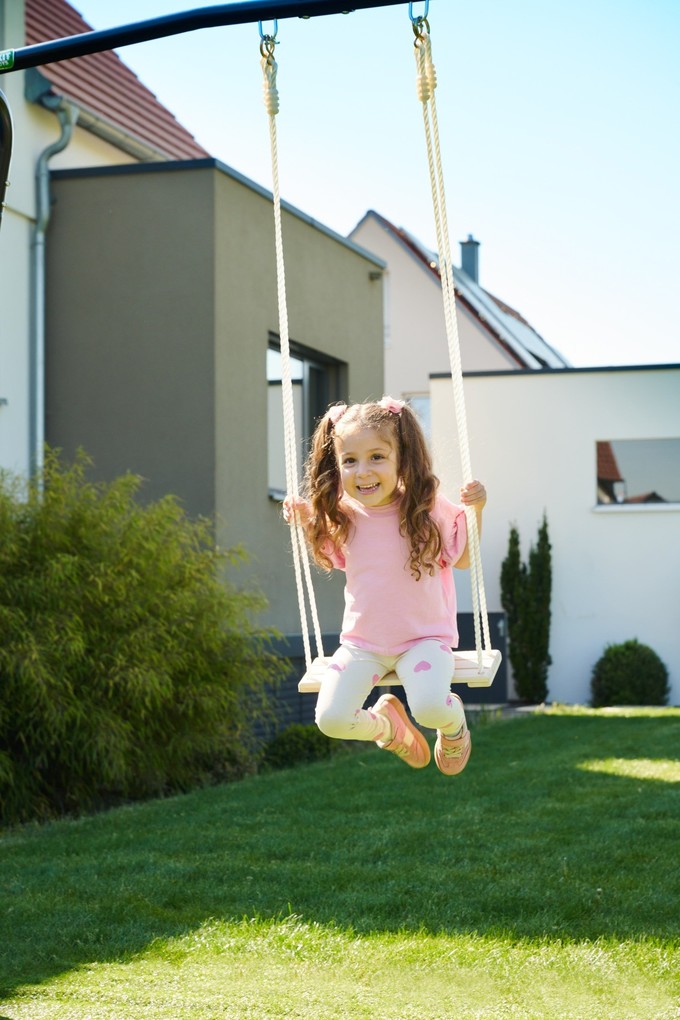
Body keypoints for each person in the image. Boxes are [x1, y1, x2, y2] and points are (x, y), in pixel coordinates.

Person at [283, 396, 487, 775]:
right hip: (362, 644)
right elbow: (332, 555)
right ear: (337, 464)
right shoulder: (343, 516)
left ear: (401, 459)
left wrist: (476, 511)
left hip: (423, 640)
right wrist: (307, 518)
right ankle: (388, 727)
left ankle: (454, 726)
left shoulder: (425, 506)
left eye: (377, 456)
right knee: (330, 719)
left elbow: (463, 558)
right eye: (350, 460)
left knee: (428, 708)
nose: (363, 472)